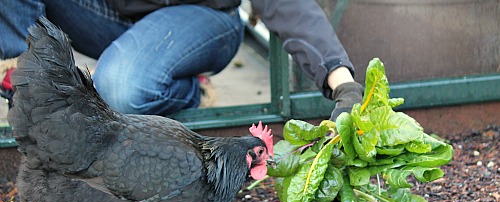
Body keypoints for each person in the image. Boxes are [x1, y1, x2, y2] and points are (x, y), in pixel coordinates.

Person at [0, 0, 363, 121]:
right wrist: (20, 62)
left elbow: (288, 6)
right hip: (110, 16)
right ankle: (21, 75)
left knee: (121, 88)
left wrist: (340, 79)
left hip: (204, 19)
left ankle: (185, 86)